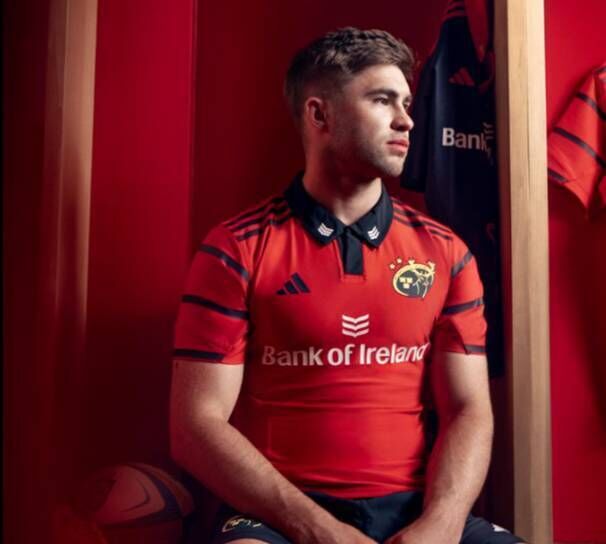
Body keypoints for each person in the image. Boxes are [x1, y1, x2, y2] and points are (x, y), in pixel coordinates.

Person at [170, 27, 524, 544]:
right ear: (320, 115)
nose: (406, 120)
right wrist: (320, 531)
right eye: (382, 100)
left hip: (416, 512)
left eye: (406, 103)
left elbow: (469, 408)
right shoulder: (237, 248)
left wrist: (441, 525)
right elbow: (194, 425)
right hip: (278, 518)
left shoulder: (446, 252)